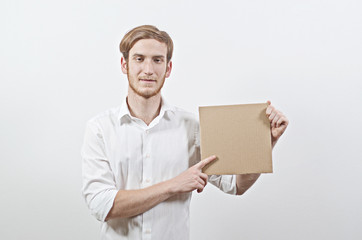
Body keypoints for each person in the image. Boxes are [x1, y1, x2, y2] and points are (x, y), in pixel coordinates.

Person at [81, 25, 289, 240]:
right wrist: (173, 185)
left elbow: (236, 185)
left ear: (168, 68)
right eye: (139, 59)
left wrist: (262, 143)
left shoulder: (192, 126)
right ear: (125, 64)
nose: (149, 70)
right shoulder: (100, 129)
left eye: (157, 60)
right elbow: (101, 205)